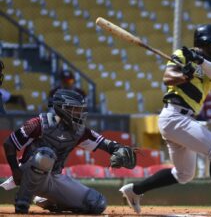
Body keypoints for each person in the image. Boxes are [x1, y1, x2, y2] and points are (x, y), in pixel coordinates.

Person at [119, 24, 211, 217]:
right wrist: (185, 75)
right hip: (174, 115)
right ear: (205, 41)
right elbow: (168, 78)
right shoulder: (182, 55)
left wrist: (199, 61)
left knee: (184, 174)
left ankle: (134, 190)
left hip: (184, 119)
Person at [2, 89, 136, 214]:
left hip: (53, 177)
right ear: (63, 108)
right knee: (45, 156)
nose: (80, 113)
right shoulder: (38, 123)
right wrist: (15, 170)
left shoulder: (80, 131)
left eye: (81, 109)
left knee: (97, 203)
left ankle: (49, 200)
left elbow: (104, 143)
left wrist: (119, 149)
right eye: (76, 109)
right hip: (28, 173)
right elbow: (9, 144)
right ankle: (23, 199)